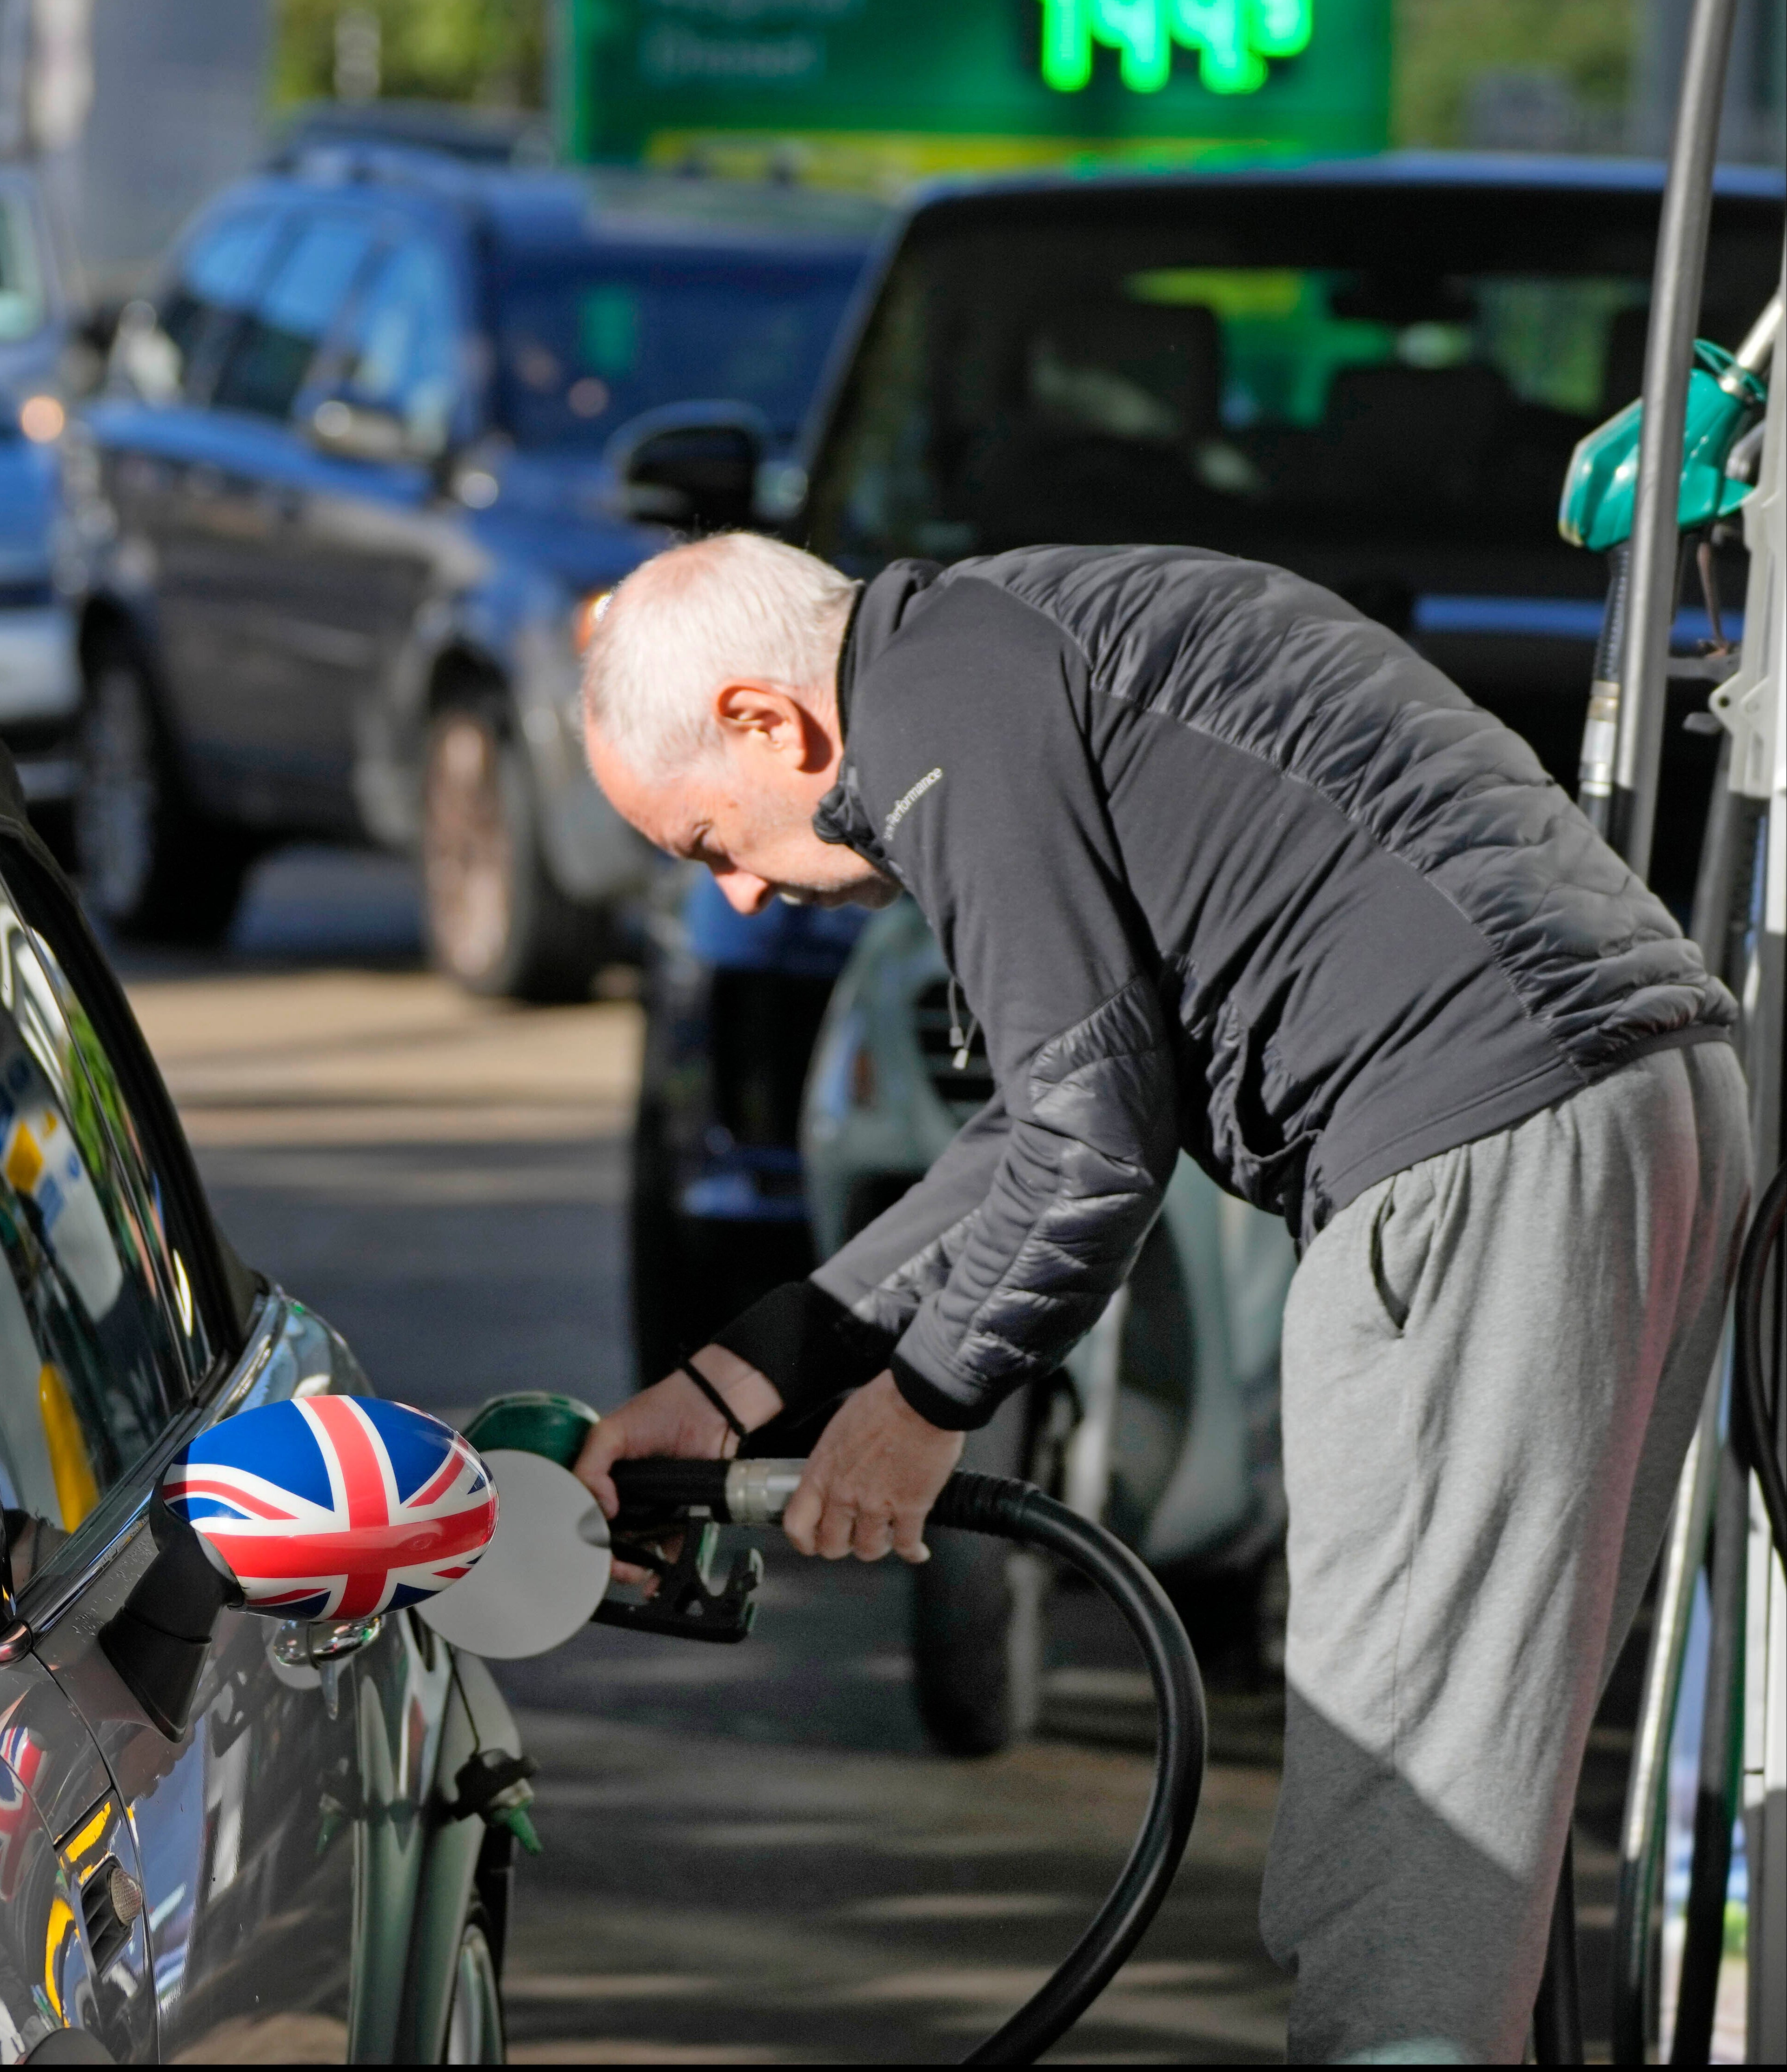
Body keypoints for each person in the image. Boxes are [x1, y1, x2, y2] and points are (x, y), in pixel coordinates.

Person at [569, 532, 1747, 2062]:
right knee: (1477, 1788)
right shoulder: (1000, 644)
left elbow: (1088, 1146)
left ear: (765, 723)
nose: (734, 894)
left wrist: (922, 1406)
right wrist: (746, 1376)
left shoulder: (939, 712)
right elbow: (1036, 1125)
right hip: (1638, 1105)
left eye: (706, 840)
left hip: (1475, 1147)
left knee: (1409, 1829)